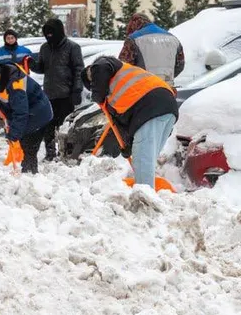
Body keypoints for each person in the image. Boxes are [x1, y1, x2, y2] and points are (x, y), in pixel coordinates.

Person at [83, 56, 178, 188]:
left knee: (142, 160)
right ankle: (148, 192)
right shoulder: (119, 91)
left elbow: (101, 65)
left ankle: (146, 199)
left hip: (151, 106)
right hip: (166, 105)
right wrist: (128, 145)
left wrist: (97, 95)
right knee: (147, 160)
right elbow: (124, 123)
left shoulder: (102, 65)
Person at [26, 18, 85, 161]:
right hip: (49, 95)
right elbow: (42, 68)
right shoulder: (45, 48)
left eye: (52, 33)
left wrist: (77, 90)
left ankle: (67, 153)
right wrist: (32, 64)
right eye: (47, 34)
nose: (49, 36)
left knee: (66, 127)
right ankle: (50, 153)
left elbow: (79, 70)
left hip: (67, 94)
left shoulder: (72, 47)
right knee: (48, 126)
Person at [0, 61, 53, 174]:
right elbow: (10, 109)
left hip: (39, 114)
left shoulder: (15, 84)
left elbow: (20, 112)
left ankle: (30, 176)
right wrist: (10, 126)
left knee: (28, 145)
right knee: (25, 144)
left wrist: (14, 134)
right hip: (30, 112)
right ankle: (28, 173)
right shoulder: (1, 83)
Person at [118, 13, 185, 86]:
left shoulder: (133, 39)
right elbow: (180, 66)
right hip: (167, 88)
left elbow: (122, 67)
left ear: (133, 25)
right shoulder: (174, 39)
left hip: (144, 89)